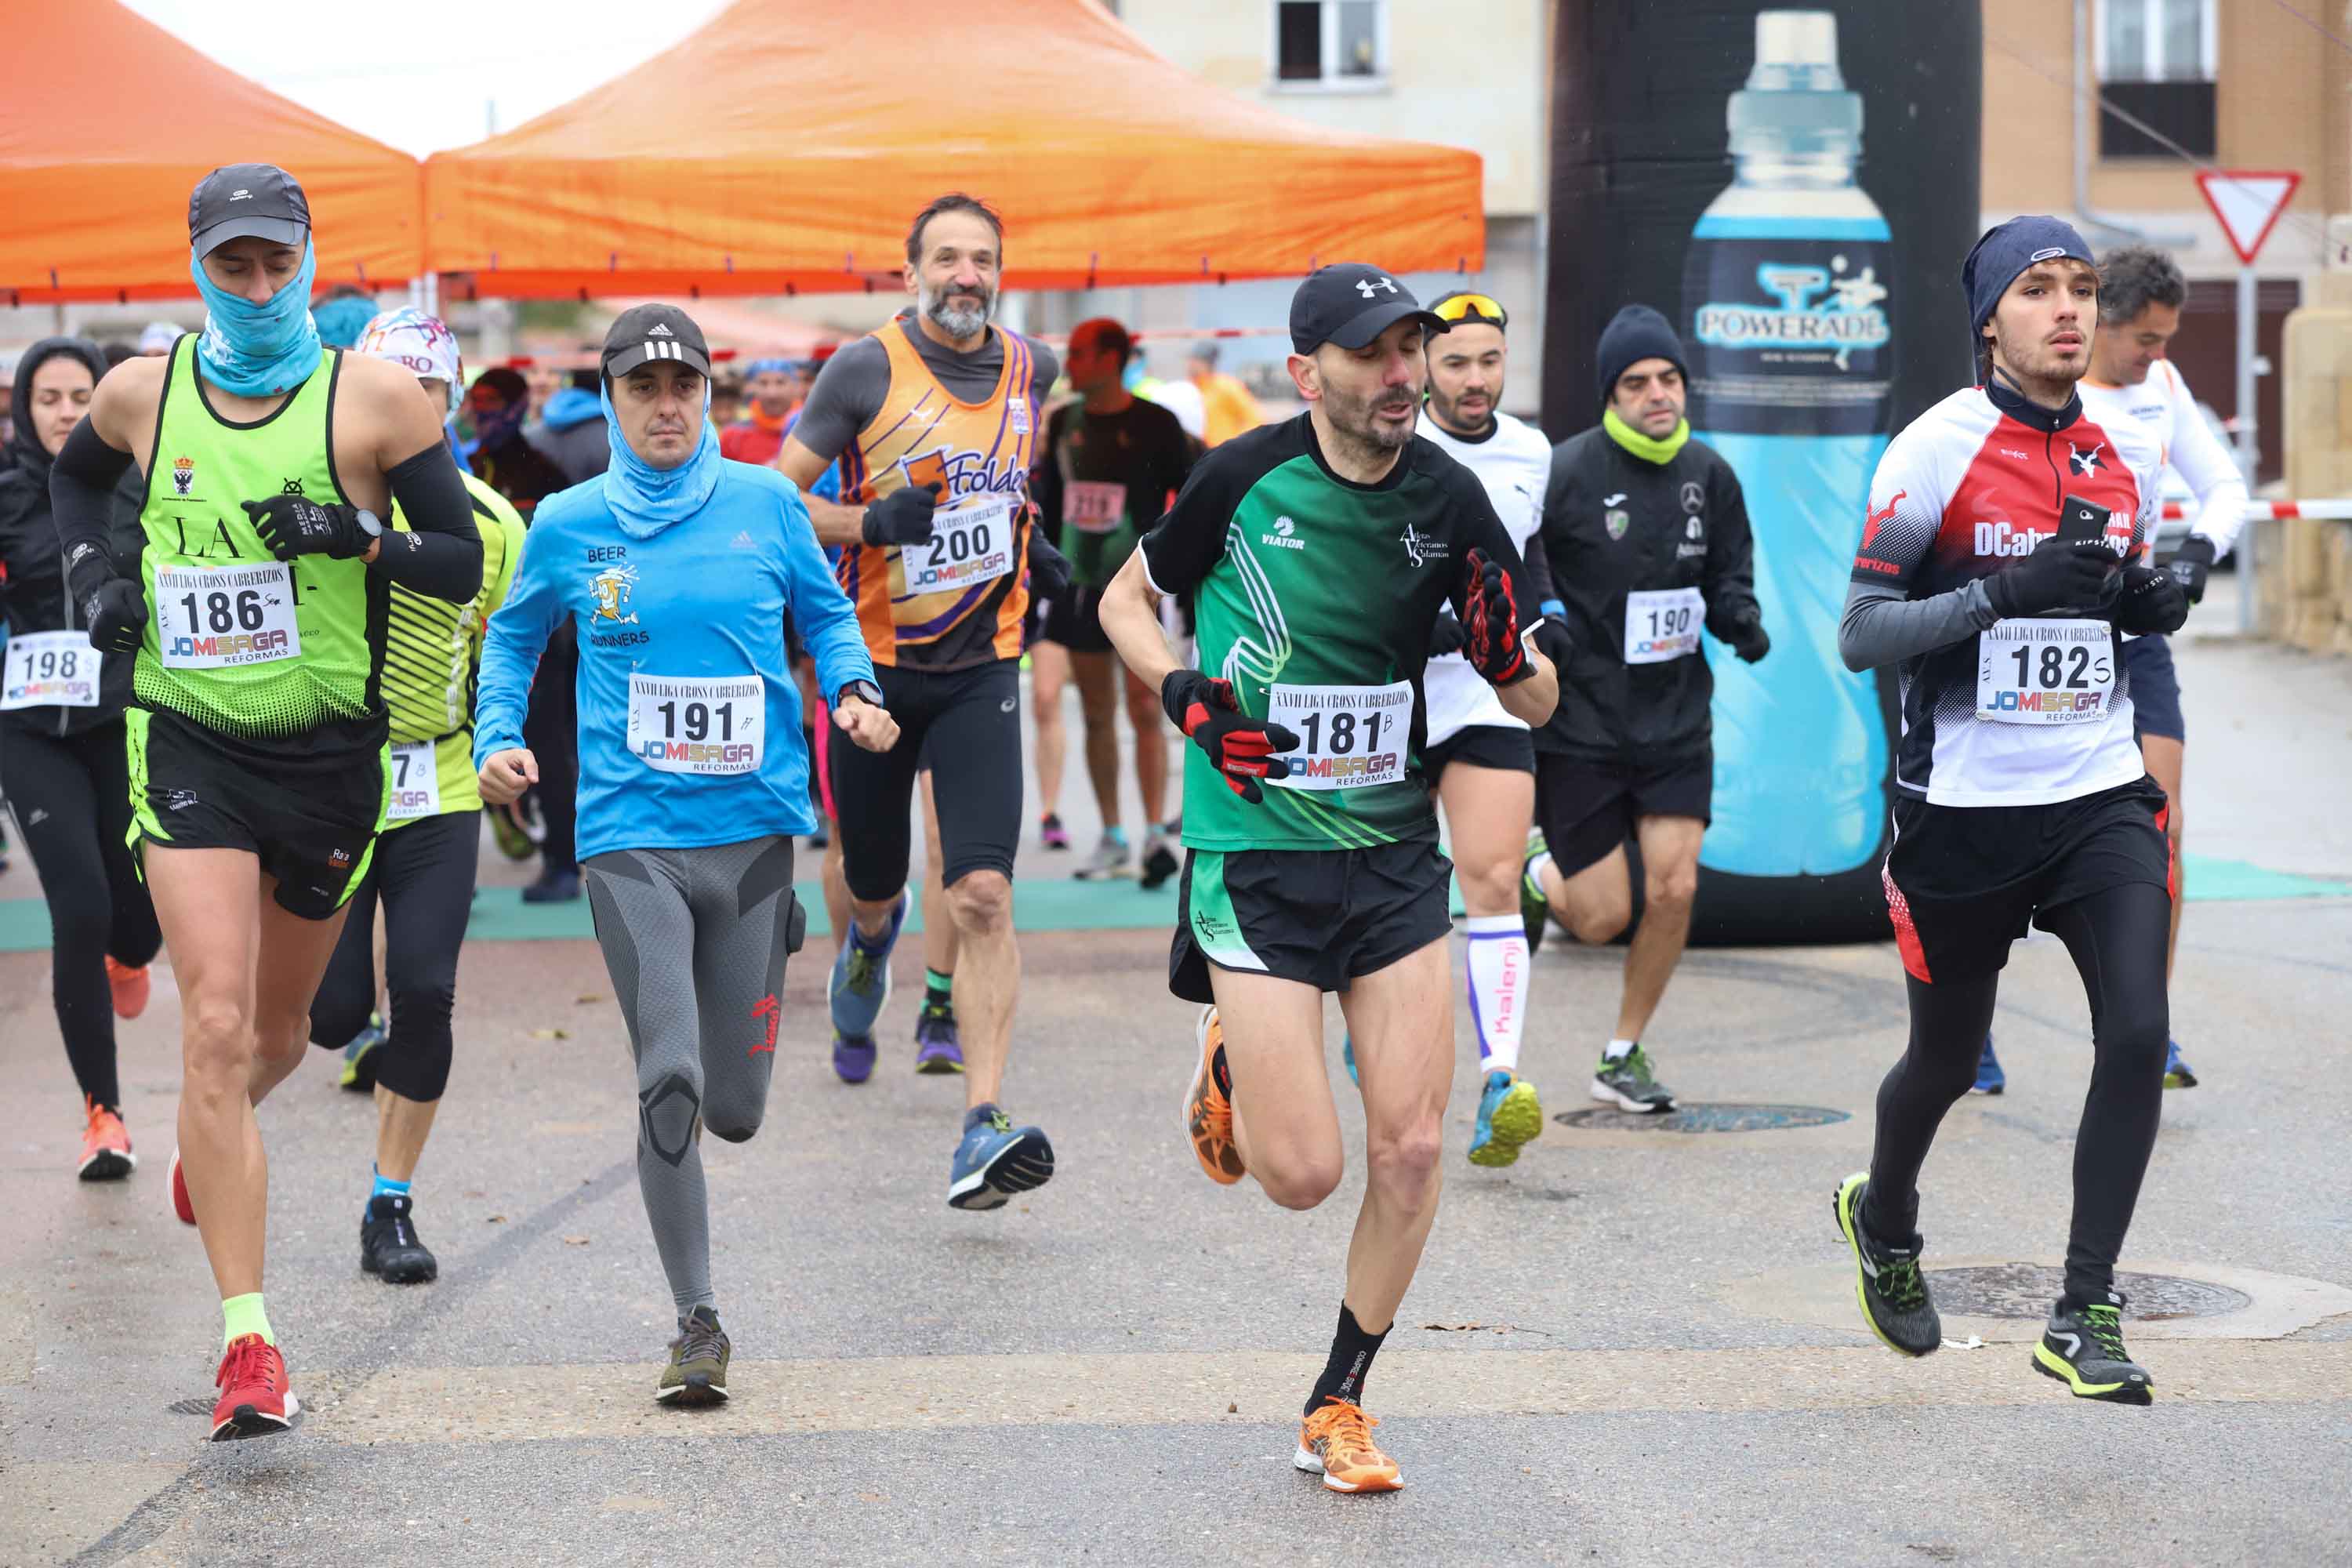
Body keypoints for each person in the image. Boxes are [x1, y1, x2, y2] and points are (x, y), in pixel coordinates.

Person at [1099, 263, 1557, 1493]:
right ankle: (1230, 1055)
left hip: (1395, 852)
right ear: (1311, 374)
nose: (1404, 373)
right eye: (1377, 353)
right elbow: (1123, 604)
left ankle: (1338, 1400)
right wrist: (1182, 691)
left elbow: (1536, 694)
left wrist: (1509, 655)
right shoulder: (1241, 479)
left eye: (1413, 347)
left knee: (1410, 1150)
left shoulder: (1454, 498)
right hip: (1255, 849)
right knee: (1301, 1176)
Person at [49, 163, 483, 1439]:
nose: (255, 287)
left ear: (305, 258)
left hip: (328, 759)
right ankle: (251, 1345)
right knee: (213, 1022)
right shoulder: (145, 390)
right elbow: (77, 486)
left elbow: (454, 561)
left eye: (275, 263)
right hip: (185, 739)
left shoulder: (377, 401)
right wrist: (96, 577)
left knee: (279, 1036)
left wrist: (359, 540)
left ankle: (211, 1136)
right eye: (231, 264)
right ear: (194, 263)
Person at [476, 303, 894, 1403]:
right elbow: (514, 635)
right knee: (669, 1077)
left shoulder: (765, 501)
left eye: (684, 387)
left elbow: (829, 616)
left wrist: (854, 689)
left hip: (754, 833)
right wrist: (498, 736)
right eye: (642, 388)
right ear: (610, 398)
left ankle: (772, 948)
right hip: (628, 839)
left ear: (706, 393)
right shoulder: (566, 523)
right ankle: (696, 1324)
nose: (666, 407)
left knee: (738, 1110)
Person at [1833, 216, 2186, 1404]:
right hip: (1963, 812)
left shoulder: (2117, 447)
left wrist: (2149, 599)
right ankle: (1885, 1219)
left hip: (2094, 793)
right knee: (1939, 1061)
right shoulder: (1933, 450)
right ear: (1992, 318)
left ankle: (2085, 1309)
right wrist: (2000, 594)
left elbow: (2111, 612)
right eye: (2040, 290)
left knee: (2137, 1032)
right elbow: (1863, 632)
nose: (2070, 309)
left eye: (2082, 288)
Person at [775, 191, 1071, 1209]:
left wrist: (1041, 546)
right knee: (875, 882)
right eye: (945, 258)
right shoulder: (865, 368)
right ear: (911, 273)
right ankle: (866, 948)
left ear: (1001, 270)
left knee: (983, 890)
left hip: (985, 664)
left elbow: (1010, 486)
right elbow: (780, 502)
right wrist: (867, 522)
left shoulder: (1037, 367)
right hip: (874, 666)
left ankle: (983, 1120)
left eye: (981, 258)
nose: (965, 275)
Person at [1974, 245, 2245, 1097]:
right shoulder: (2051, 387)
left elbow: (2224, 486)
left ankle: (2146, 1030)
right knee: (1999, 844)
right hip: (2034, 634)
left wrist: (2194, 562)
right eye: (2143, 339)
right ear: (2100, 323)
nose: (2154, 356)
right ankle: (1966, 1031)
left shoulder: (2162, 388)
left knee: (2161, 829)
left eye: (2167, 340)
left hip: (2131, 636)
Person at [304, 310, 527, 1285]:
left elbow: (502, 654)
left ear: (450, 403)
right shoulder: (314, 502)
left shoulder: (492, 523)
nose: (409, 408)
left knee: (425, 993)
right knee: (323, 1012)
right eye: (392, 387)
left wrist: (502, 743)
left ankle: (388, 1201)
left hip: (437, 779)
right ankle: (212, 1115)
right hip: (324, 787)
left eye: (428, 391)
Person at [1519, 305, 1767, 1113]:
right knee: (1598, 918)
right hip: (1584, 724)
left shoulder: (1710, 473)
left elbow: (1732, 569)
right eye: (1637, 382)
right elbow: (1527, 567)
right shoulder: (1566, 473)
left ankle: (1622, 1052)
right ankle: (1537, 873)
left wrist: (1739, 616)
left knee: (1673, 888)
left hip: (1674, 723)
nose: (1658, 394)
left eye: (1668, 379)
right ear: (1610, 394)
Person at [1388, 290, 1557, 1165]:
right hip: (1389, 699)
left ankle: (1499, 1078)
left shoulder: (1532, 449)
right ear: (1422, 368)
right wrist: (1423, 621)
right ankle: (1375, 1033)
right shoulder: (1395, 447)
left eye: (1489, 360)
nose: (1475, 378)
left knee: (1492, 875)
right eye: (1455, 361)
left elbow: (1533, 553)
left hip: (1488, 696)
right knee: (1388, 890)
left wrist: (1546, 616)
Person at [0, 337, 161, 1180]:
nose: (64, 411)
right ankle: (105, 1113)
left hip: (122, 719)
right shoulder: (7, 492)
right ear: (24, 408)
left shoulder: (139, 485)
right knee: (80, 904)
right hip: (28, 729)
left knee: (142, 912)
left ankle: (132, 953)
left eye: (79, 395)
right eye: (48, 397)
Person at [1028, 318, 1193, 884]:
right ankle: (1112, 834)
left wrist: (1180, 574)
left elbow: (1193, 500)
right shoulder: (1063, 422)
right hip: (1078, 591)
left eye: (1078, 352)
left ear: (1111, 358)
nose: (1068, 363)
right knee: (1097, 714)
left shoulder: (1157, 424)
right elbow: (1047, 503)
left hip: (1140, 587)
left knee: (1146, 708)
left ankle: (1154, 835)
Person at [464, 368, 570, 521]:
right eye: (475, 400)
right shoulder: (465, 464)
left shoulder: (540, 473)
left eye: (491, 400)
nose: (480, 409)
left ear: (515, 408)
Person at [524, 365, 613, 486]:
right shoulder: (616, 435)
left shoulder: (528, 437)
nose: (542, 381)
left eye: (552, 373)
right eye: (533, 372)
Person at [720, 358, 799, 466]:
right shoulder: (733, 436)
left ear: (796, 386)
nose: (772, 393)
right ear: (752, 387)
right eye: (763, 383)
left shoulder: (812, 434)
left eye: (780, 383)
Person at [1188, 343, 1265, 448]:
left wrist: (1234, 446)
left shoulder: (1227, 387)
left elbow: (1254, 419)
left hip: (1221, 452)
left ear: (1207, 363)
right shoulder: (1190, 388)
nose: (1190, 364)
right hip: (1201, 454)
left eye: (1194, 360)